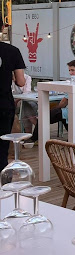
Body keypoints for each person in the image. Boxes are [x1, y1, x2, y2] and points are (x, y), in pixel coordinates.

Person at [0, 20, 26, 171]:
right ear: (3, 28)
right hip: (4, 105)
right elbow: (21, 82)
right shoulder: (12, 51)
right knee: (3, 148)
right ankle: (3, 185)